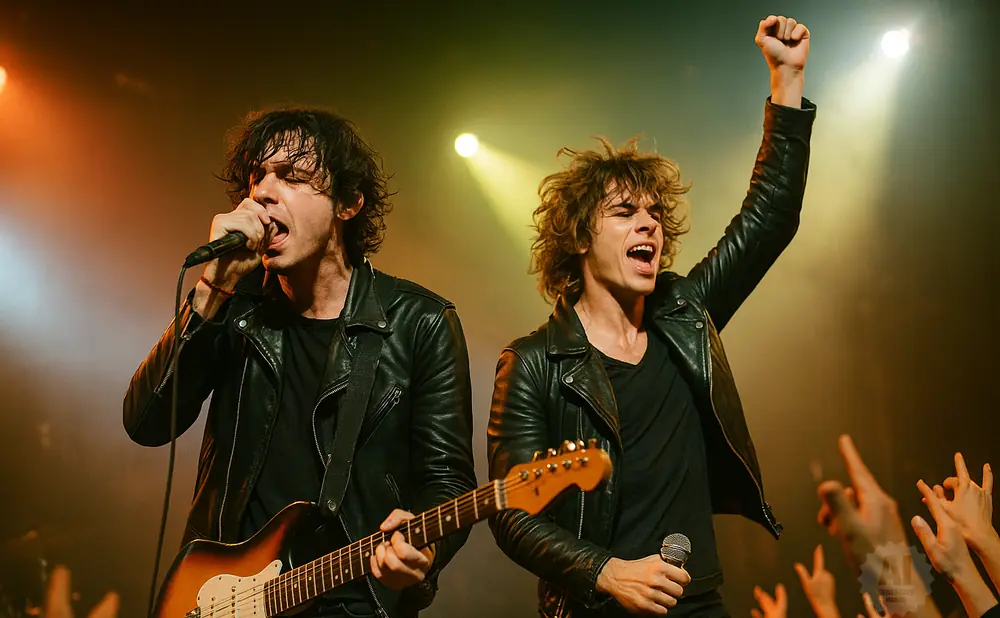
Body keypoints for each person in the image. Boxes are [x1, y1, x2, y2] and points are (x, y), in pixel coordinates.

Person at [487, 14, 816, 618]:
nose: (648, 224)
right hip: (597, 605)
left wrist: (787, 82)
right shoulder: (534, 363)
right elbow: (512, 515)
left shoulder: (684, 314)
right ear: (580, 238)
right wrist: (607, 572)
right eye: (623, 212)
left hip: (698, 600)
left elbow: (769, 220)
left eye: (654, 213)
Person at [123, 108, 477, 618]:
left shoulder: (420, 322)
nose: (263, 192)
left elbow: (447, 479)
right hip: (220, 598)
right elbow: (146, 422)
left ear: (349, 203)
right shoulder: (234, 303)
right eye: (257, 177)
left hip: (350, 601)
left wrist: (424, 550)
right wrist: (212, 288)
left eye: (291, 176)